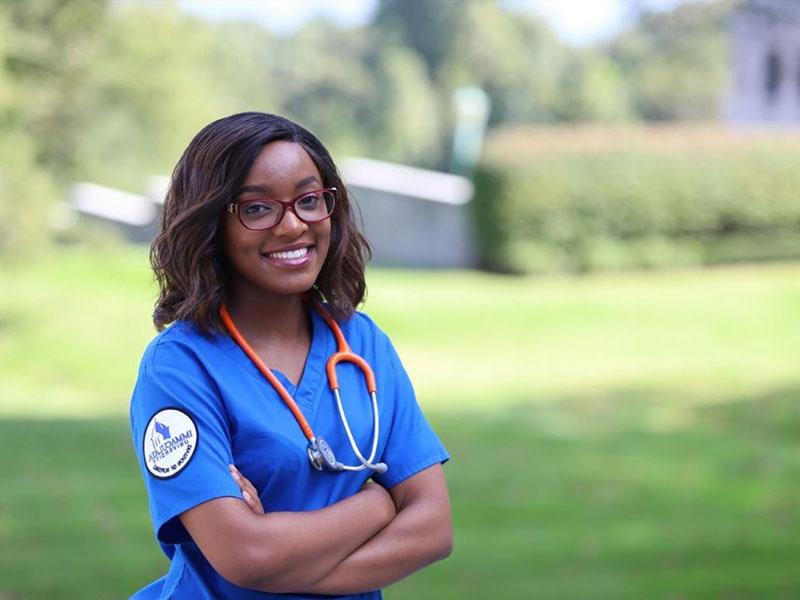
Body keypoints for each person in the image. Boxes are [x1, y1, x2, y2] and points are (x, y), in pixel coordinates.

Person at [128, 112, 453, 599]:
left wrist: (283, 569)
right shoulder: (178, 370)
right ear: (210, 223)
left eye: (309, 200)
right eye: (258, 209)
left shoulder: (362, 344)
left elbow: (432, 529)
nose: (293, 225)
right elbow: (245, 555)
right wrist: (378, 506)